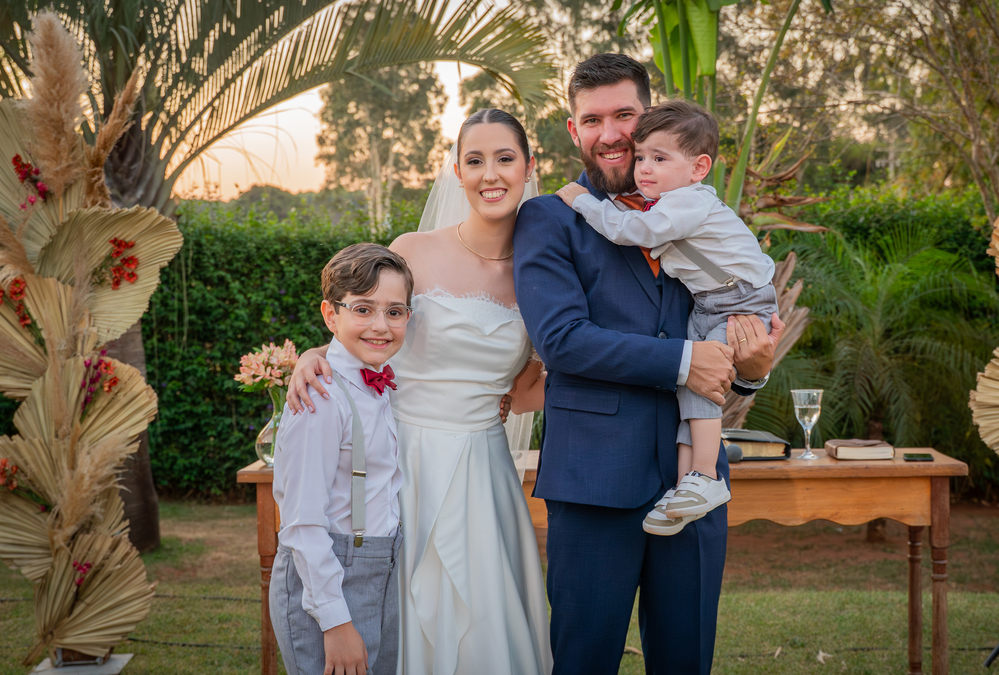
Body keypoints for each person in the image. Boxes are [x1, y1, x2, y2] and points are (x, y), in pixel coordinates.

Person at [514, 54, 782, 675]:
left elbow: (724, 326)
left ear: (649, 117)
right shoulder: (550, 216)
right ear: (573, 130)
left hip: (693, 484)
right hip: (594, 480)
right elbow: (562, 341)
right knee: (584, 661)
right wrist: (687, 362)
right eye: (592, 120)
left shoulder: (691, 201)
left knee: (686, 660)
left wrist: (752, 368)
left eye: (624, 116)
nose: (610, 133)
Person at [287, 109, 552, 675]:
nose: (490, 174)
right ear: (457, 171)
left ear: (530, 167)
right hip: (402, 458)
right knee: (398, 612)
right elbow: (368, 326)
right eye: (474, 160)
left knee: (484, 622)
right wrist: (312, 355)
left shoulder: (542, 270)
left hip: (483, 468)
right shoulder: (415, 248)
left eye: (504, 158)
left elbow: (530, 389)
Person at [555, 99, 777, 530]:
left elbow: (630, 230)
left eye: (659, 159)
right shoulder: (668, 203)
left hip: (739, 303)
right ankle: (686, 487)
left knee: (704, 386)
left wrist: (584, 203)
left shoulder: (687, 202)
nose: (644, 168)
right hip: (715, 302)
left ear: (699, 168)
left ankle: (706, 476)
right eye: (641, 157)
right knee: (691, 388)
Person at [270, 243, 410, 675]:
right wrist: (335, 622)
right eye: (363, 310)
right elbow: (301, 524)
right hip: (330, 579)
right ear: (331, 315)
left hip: (383, 569)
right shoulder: (321, 399)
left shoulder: (383, 383)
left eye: (395, 311)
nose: (381, 326)